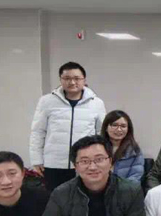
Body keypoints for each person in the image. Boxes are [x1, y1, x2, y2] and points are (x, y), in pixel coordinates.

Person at [29, 61, 106, 191]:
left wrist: (100, 159)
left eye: (77, 78)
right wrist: (36, 159)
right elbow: (38, 131)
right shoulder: (47, 101)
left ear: (84, 80)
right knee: (55, 198)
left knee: (83, 196)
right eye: (67, 78)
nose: (72, 82)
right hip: (54, 163)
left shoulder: (96, 103)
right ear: (60, 80)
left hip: (84, 162)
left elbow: (101, 133)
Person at [101, 110, 144, 183]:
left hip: (124, 189)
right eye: (114, 125)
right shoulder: (97, 148)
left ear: (128, 129)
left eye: (123, 126)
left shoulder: (134, 150)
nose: (119, 129)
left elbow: (135, 178)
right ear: (106, 128)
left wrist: (119, 188)